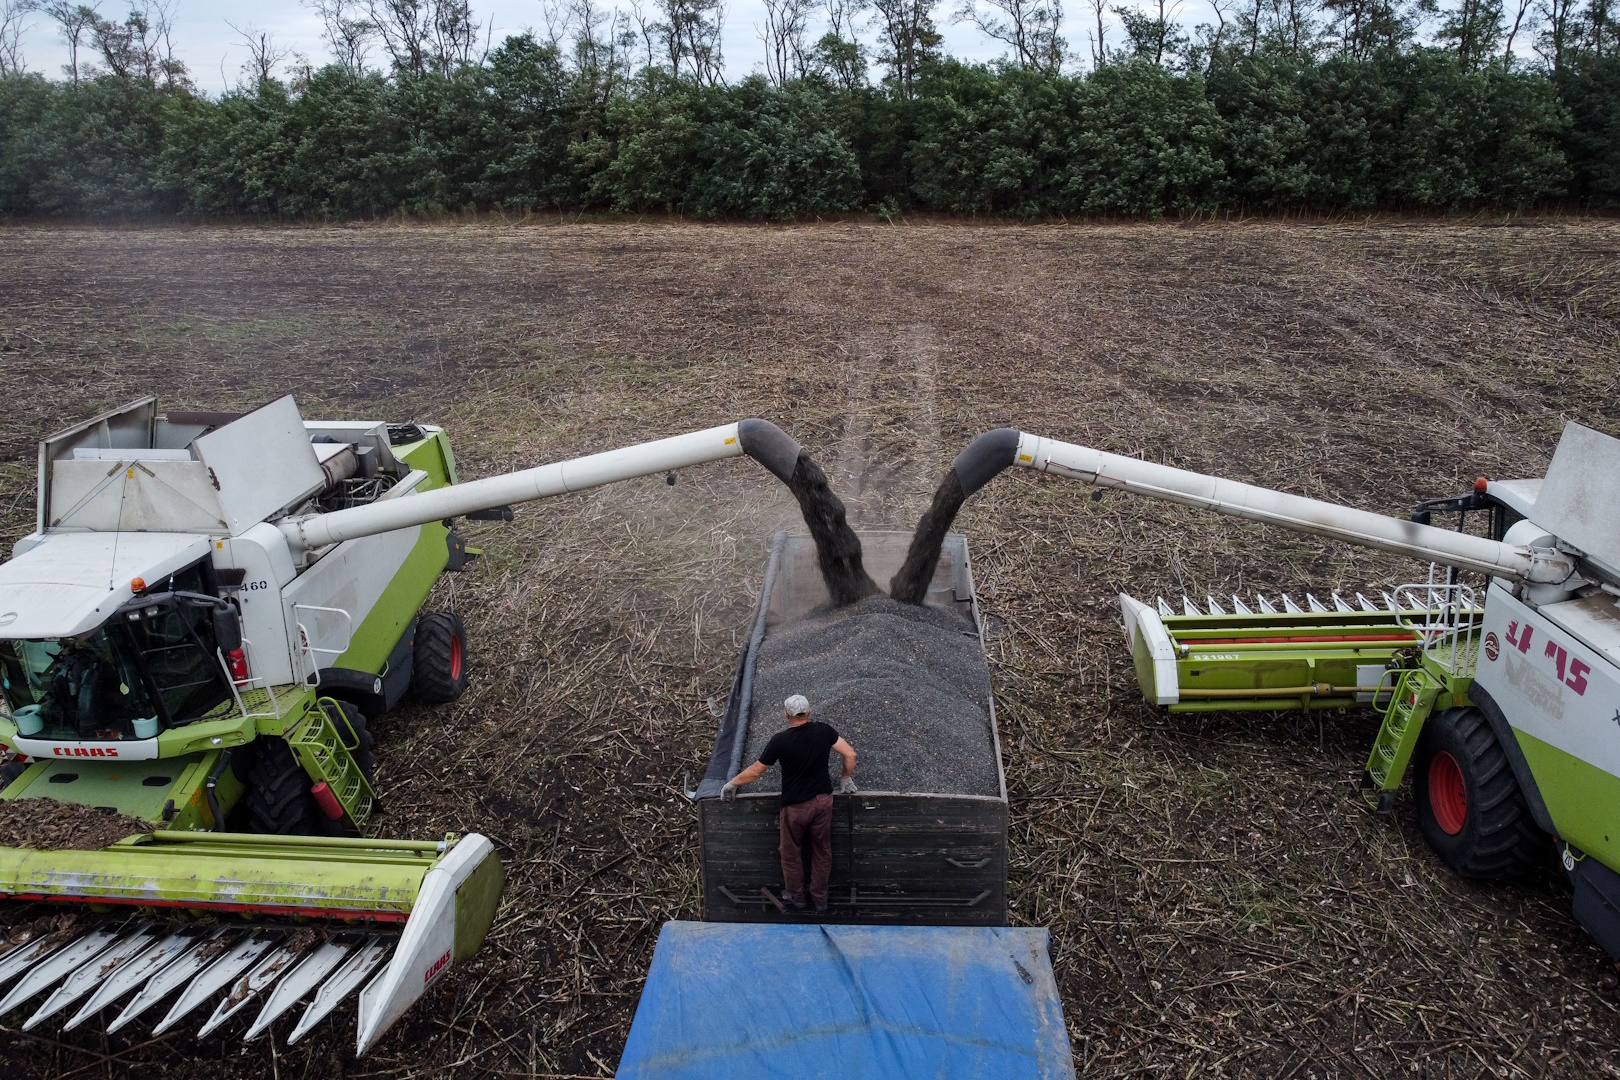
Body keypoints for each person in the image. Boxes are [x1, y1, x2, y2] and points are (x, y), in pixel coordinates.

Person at [722, 694, 856, 913]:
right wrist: (845, 778)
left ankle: (797, 898)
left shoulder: (780, 741)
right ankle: (820, 899)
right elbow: (850, 754)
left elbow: (757, 771)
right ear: (810, 712)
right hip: (823, 802)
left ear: (786, 714)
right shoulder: (824, 731)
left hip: (795, 807)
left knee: (791, 852)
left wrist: (732, 784)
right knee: (822, 851)